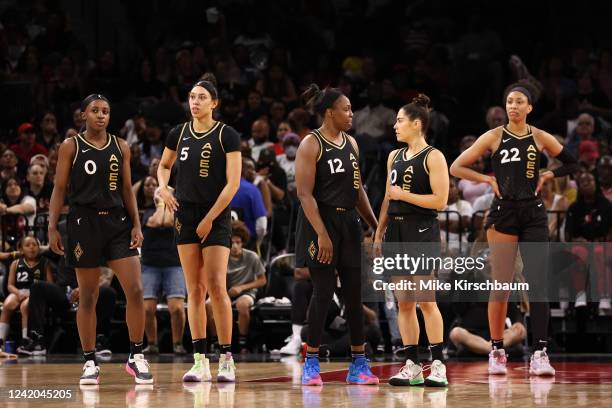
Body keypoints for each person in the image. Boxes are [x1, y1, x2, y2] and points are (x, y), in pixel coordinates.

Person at [450, 83, 579, 376]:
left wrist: (549, 173)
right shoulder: (494, 136)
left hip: (533, 212)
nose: (513, 106)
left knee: (538, 284)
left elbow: (572, 163)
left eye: (519, 101)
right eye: (509, 101)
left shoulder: (539, 136)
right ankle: (497, 351)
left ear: (529, 108)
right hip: (504, 212)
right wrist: (487, 179)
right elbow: (456, 167)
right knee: (502, 284)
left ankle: (540, 354)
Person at [48, 93, 153, 385]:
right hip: (83, 222)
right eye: (94, 110)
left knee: (135, 289)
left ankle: (136, 355)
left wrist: (136, 223)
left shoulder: (121, 146)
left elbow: (128, 190)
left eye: (105, 111)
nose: (100, 115)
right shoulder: (71, 146)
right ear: (84, 115)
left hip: (117, 222)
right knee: (89, 295)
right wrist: (53, 227)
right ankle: (90, 361)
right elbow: (58, 188)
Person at [157, 73, 241, 383]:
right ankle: (199, 360)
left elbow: (233, 184)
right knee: (194, 289)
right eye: (192, 97)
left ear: (215, 103)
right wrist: (163, 188)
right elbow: (163, 166)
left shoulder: (226, 134)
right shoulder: (178, 133)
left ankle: (227, 358)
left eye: (202, 97)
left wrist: (210, 218)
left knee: (217, 286)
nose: (195, 102)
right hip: (185, 213)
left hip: (215, 214)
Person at [295, 84, 379, 386]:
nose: (351, 114)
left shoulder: (352, 144)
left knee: (355, 295)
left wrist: (376, 224)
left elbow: (358, 191)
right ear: (330, 113)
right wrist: (321, 234)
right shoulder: (311, 144)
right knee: (323, 290)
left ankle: (359, 363)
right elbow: (304, 194)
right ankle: (312, 362)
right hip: (321, 222)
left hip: (349, 223)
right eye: (346, 109)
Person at [374, 94, 450, 387]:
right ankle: (413, 366)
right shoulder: (394, 156)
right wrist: (379, 233)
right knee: (404, 303)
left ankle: (439, 364)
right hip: (396, 231)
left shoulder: (434, 156)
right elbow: (386, 198)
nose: (395, 125)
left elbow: (440, 201)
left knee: (426, 301)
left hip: (422, 230)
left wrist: (403, 195)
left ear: (417, 124)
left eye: (400, 120)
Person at [206, 220, 266, 353]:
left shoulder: (252, 257)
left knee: (243, 305)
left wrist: (241, 288)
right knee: (209, 304)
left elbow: (262, 280)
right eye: (232, 242)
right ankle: (215, 342)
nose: (234, 246)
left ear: (243, 242)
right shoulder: (222, 257)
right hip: (226, 292)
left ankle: (242, 342)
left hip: (246, 292)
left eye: (238, 242)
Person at [141, 184, 187, 355]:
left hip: (174, 263)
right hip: (150, 264)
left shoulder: (178, 215)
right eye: (160, 195)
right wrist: (161, 204)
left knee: (176, 308)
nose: (163, 196)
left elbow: (167, 221)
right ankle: (152, 344)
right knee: (147, 308)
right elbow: (156, 221)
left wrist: (168, 204)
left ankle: (178, 344)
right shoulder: (146, 213)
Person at [0, 236, 52, 354]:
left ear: (39, 248)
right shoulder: (15, 263)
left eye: (34, 244)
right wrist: (17, 293)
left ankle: (26, 339)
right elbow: (10, 285)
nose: (32, 247)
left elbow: (50, 285)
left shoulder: (44, 263)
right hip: (19, 291)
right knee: (7, 305)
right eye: (28, 245)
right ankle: (1, 341)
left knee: (25, 306)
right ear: (21, 250)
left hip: (36, 294)